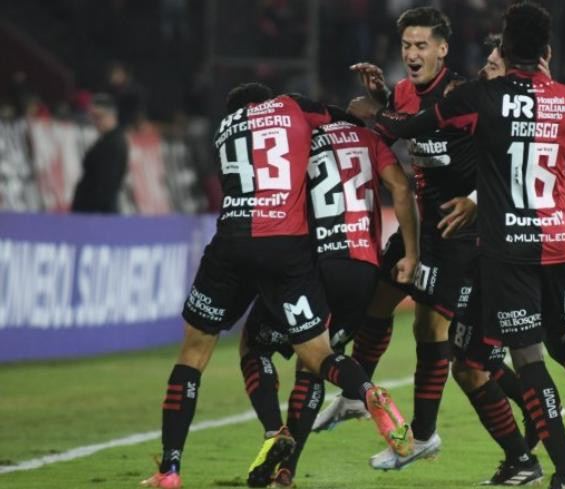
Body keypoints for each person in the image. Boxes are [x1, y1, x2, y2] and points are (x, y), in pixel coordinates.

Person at [350, 3, 565, 488]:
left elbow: (406, 128)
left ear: (503, 49)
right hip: (558, 244)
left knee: (526, 362)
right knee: (556, 341)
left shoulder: (482, 97)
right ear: (546, 53)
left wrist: (373, 111)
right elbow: (536, 112)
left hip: (506, 249)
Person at [140, 83, 414, 489]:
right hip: (290, 248)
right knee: (317, 354)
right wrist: (370, 113)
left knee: (199, 351)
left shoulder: (224, 128)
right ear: (267, 101)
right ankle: (367, 390)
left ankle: (174, 469)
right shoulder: (291, 108)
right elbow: (338, 119)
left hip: (232, 241)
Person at [313, 7, 479, 471]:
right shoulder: (404, 92)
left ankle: (424, 435)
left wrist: (476, 198)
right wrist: (385, 99)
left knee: (430, 329)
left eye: (422, 45)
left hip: (459, 231)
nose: (412, 53)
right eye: (406, 46)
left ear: (442, 49)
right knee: (377, 301)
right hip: (424, 226)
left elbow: (499, 155)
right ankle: (353, 395)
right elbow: (404, 121)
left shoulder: (461, 94)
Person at [239, 119, 420, 488]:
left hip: (317, 264)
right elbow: (401, 188)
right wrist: (412, 253)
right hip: (362, 270)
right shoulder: (370, 138)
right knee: (316, 365)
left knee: (255, 343)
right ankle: (367, 392)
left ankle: (276, 437)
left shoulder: (305, 138)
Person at [71, 94, 128, 213]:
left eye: (98, 116)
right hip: (94, 212)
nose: (95, 121)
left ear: (112, 115)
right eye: (93, 117)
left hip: (97, 214)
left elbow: (107, 185)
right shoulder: (107, 140)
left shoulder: (114, 144)